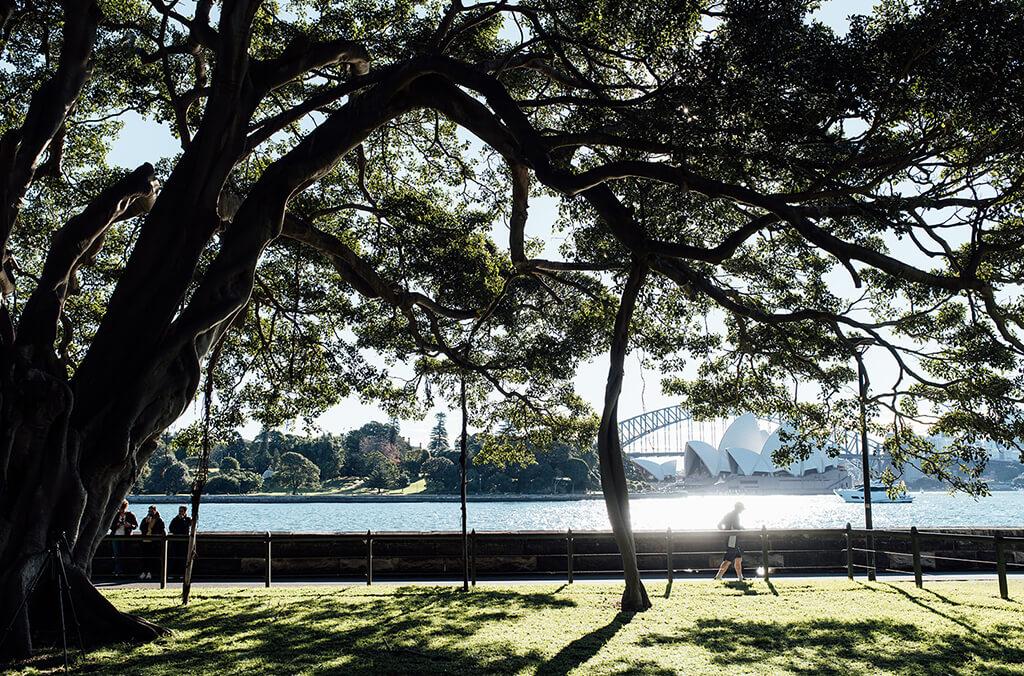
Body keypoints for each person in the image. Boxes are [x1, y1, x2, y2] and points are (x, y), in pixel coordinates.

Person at [714, 502, 745, 581]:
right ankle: (718, 576)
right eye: (741, 509)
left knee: (738, 558)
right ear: (738, 508)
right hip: (732, 539)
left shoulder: (728, 514)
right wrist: (742, 528)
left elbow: (719, 525)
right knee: (728, 559)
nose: (742, 511)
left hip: (731, 538)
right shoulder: (735, 516)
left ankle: (740, 577)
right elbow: (736, 526)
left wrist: (725, 532)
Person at [109, 500, 138, 576]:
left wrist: (129, 525)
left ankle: (123, 571)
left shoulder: (130, 515)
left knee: (125, 554)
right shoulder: (115, 515)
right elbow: (111, 527)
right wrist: (117, 525)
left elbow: (135, 526)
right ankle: (118, 571)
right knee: (116, 555)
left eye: (122, 508)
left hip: (126, 537)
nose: (121, 510)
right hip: (116, 537)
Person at [138, 505, 166, 580]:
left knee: (152, 558)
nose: (150, 513)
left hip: (154, 542)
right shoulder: (145, 519)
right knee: (144, 557)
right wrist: (146, 523)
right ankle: (144, 572)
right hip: (145, 540)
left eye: (151, 511)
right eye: (149, 511)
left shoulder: (159, 520)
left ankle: (151, 572)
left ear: (155, 511)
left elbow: (161, 529)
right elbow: (141, 528)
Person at [168, 505, 192, 577]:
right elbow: (171, 528)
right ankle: (174, 573)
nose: (180, 512)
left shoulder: (188, 519)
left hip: (184, 542)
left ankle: (182, 573)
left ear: (185, 512)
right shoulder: (175, 519)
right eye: (179, 511)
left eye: (181, 511)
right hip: (176, 541)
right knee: (174, 558)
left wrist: (182, 520)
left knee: (183, 558)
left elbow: (186, 528)